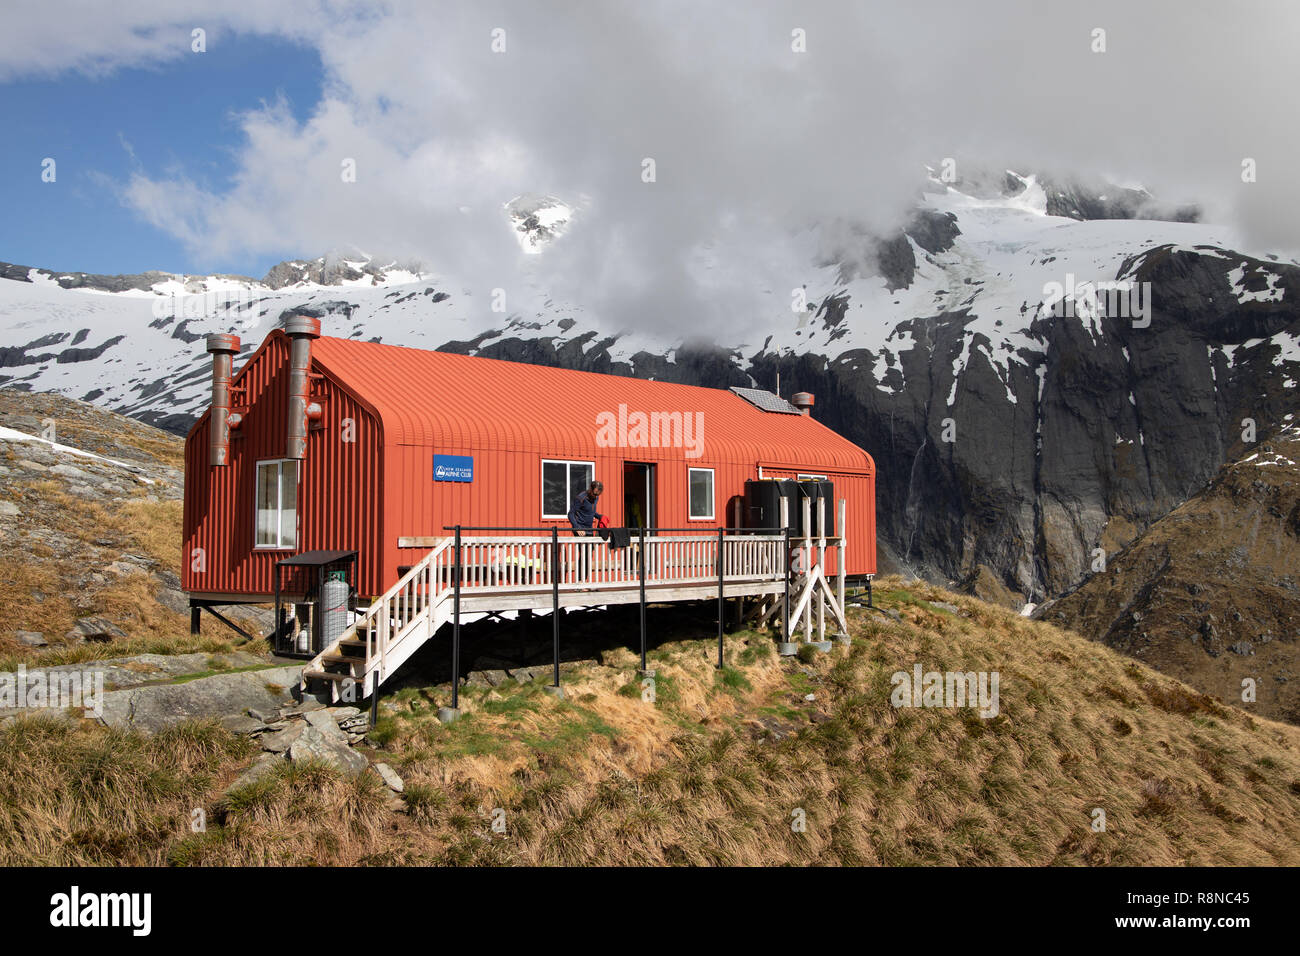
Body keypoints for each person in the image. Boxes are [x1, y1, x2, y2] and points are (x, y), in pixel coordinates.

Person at [567, 480, 604, 581]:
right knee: (584, 555)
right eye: (595, 493)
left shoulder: (596, 498)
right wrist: (577, 528)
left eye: (599, 494)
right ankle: (580, 582)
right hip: (580, 529)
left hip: (589, 529)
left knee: (588, 556)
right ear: (591, 489)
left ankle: (583, 580)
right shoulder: (581, 497)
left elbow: (590, 511)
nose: (596, 496)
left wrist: (599, 516)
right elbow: (570, 514)